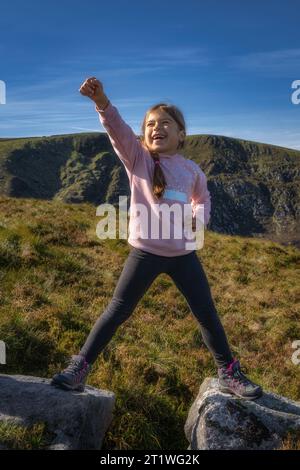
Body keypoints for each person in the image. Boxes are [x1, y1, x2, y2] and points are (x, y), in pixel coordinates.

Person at [51, 77, 263, 400]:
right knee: (117, 310)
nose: (156, 128)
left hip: (183, 256)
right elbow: (117, 129)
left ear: (181, 135)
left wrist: (198, 220)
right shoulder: (137, 158)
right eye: (150, 124)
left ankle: (228, 372)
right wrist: (102, 102)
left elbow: (203, 199)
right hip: (144, 253)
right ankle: (79, 367)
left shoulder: (192, 170)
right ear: (143, 133)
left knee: (206, 313)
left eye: (165, 123)